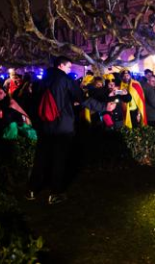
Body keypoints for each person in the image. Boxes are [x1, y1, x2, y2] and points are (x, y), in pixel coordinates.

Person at [27, 56, 115, 205]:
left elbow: (36, 102)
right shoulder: (66, 80)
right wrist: (104, 107)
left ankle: (32, 190)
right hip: (62, 125)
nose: (70, 69)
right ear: (61, 66)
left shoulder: (42, 81)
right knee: (59, 159)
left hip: (45, 125)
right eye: (68, 66)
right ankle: (55, 193)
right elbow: (83, 99)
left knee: (41, 158)